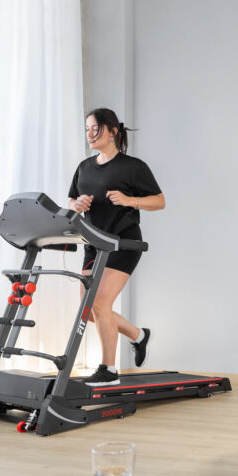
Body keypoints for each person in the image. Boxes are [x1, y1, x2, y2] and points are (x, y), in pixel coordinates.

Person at [69, 108, 165, 386]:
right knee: (88, 308)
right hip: (93, 245)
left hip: (124, 243)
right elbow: (71, 201)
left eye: (95, 128)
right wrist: (77, 205)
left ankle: (108, 370)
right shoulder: (84, 167)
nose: (90, 133)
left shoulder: (133, 167)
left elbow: (159, 201)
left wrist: (129, 200)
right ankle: (138, 335)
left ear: (112, 131)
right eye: (87, 128)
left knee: (100, 303)